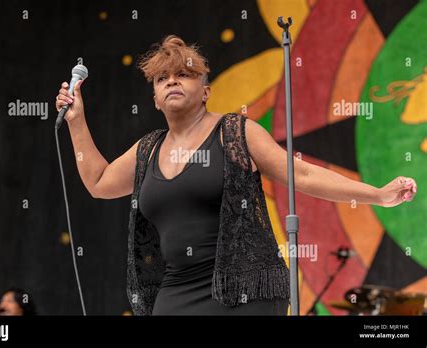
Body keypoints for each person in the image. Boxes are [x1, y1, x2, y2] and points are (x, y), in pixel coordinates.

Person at [55, 35, 417, 315]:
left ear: (206, 91)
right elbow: (98, 183)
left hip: (242, 292)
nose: (172, 82)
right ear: (154, 98)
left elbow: (302, 175)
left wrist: (378, 194)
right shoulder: (147, 149)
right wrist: (76, 121)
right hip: (176, 291)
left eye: (184, 74)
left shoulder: (235, 133)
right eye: (162, 78)